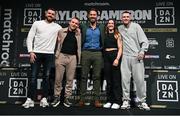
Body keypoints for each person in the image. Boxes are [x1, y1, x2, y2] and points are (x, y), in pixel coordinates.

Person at [22, 8, 62, 108]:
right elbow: (30, 37)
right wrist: (31, 51)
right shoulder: (37, 23)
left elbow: (65, 33)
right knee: (33, 77)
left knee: (47, 77)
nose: (50, 15)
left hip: (49, 55)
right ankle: (30, 99)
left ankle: (44, 99)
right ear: (45, 13)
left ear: (55, 16)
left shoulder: (58, 27)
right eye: (49, 13)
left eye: (53, 14)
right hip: (36, 53)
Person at [118, 11, 150, 110]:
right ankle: (126, 100)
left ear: (130, 18)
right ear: (121, 18)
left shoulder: (136, 26)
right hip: (125, 57)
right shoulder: (119, 28)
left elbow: (144, 41)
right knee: (125, 80)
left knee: (139, 80)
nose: (125, 18)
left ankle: (142, 101)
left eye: (127, 17)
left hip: (136, 56)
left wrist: (142, 51)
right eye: (124, 17)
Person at [51, 17, 81, 107]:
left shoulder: (79, 33)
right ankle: (56, 97)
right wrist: (57, 55)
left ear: (77, 25)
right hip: (61, 56)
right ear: (69, 22)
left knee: (70, 79)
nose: (74, 24)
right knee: (58, 78)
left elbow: (79, 47)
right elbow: (57, 42)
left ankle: (66, 98)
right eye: (73, 22)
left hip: (73, 57)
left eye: (76, 23)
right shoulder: (61, 31)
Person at [79, 8, 105, 108]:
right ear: (88, 16)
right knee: (83, 76)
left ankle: (97, 100)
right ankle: (82, 99)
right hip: (85, 52)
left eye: (94, 15)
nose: (93, 16)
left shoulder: (102, 27)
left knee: (97, 77)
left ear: (97, 16)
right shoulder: (83, 26)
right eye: (91, 14)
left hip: (98, 53)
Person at [102, 19, 122, 109]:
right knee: (109, 81)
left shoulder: (117, 34)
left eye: (112, 23)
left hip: (114, 56)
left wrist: (117, 59)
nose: (110, 24)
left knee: (116, 80)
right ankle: (109, 100)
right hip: (106, 57)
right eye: (109, 23)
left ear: (114, 25)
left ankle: (117, 101)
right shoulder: (105, 35)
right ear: (107, 25)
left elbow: (120, 48)